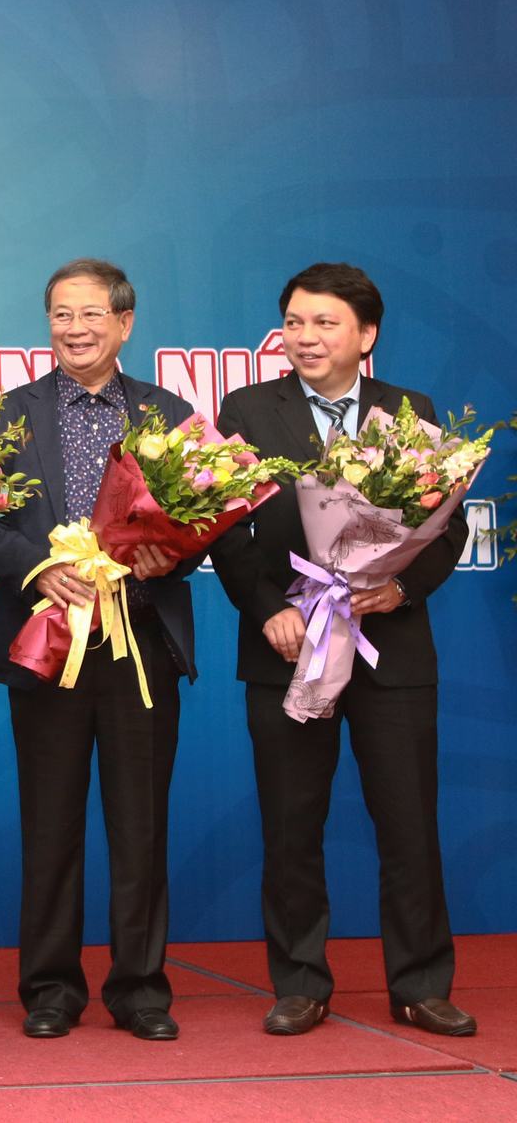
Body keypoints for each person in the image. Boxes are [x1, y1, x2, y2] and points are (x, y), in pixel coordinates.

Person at [211, 263, 475, 1039]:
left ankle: (421, 984)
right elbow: (224, 524)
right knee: (292, 823)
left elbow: (447, 524)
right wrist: (267, 609)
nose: (306, 336)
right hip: (288, 646)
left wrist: (403, 587)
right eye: (294, 322)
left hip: (390, 646)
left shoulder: (409, 411)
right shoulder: (248, 409)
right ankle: (300, 983)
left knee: (409, 822)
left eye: (325, 322)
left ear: (366, 334)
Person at [0, 259, 196, 1042]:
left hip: (140, 642)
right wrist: (39, 567)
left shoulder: (167, 413)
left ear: (125, 323)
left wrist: (171, 555)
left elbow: (202, 518)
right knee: (50, 823)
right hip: (46, 641)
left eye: (92, 313)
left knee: (141, 824)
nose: (75, 328)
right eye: (62, 313)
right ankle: (51, 987)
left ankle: (141, 988)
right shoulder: (8, 415)